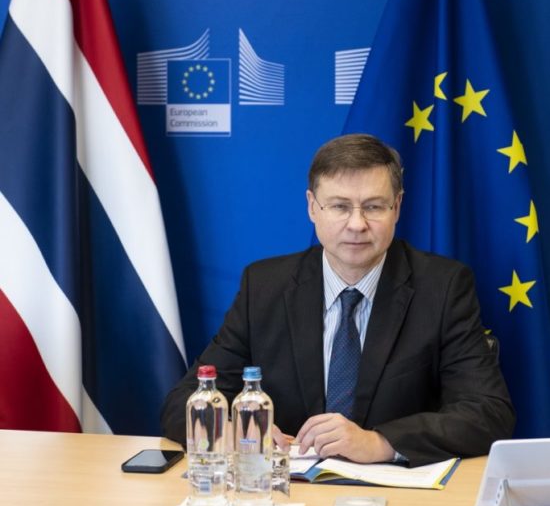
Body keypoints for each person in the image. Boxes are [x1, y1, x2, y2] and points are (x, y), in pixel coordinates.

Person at [161, 134, 515, 467]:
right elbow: (185, 401)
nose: (357, 224)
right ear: (312, 207)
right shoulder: (265, 287)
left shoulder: (442, 287)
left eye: (374, 206)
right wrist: (233, 432)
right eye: (339, 206)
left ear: (397, 207)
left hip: (396, 495)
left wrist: (379, 442)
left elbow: (488, 412)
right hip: (289, 491)